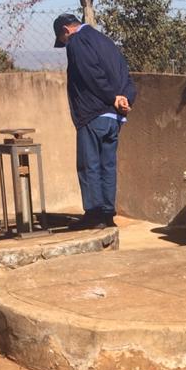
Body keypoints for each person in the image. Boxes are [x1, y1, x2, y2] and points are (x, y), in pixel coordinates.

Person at [53, 12, 136, 230]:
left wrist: (111, 97)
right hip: (114, 117)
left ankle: (94, 215)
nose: (65, 44)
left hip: (93, 114)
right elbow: (126, 75)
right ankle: (107, 215)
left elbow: (90, 74)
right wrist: (125, 99)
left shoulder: (77, 41)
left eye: (63, 40)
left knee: (89, 165)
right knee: (108, 166)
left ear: (66, 30)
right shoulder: (106, 41)